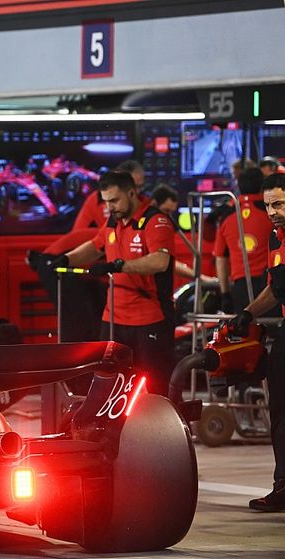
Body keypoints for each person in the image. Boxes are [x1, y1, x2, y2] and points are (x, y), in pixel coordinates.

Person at [37, 171, 176, 396]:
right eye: (106, 202)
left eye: (114, 200)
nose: (109, 208)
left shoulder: (155, 221)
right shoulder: (113, 221)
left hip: (150, 318)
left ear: (132, 193)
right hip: (113, 319)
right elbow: (95, 246)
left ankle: (162, 430)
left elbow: (160, 262)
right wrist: (64, 259)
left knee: (155, 387)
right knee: (110, 386)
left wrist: (119, 266)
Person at [227, 172, 285, 511]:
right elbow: (274, 288)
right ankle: (284, 484)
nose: (271, 211)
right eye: (267, 205)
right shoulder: (273, 239)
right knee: (281, 410)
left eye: (278, 203)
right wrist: (248, 314)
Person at [214, 167, 277, 314]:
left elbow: (221, 259)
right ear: (263, 186)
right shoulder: (273, 212)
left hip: (240, 289)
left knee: (245, 335)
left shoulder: (226, 216)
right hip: (270, 287)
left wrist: (225, 295)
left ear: (238, 186)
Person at [72, 159, 150, 231]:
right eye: (134, 187)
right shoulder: (96, 199)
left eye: (141, 187)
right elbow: (77, 233)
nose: (138, 192)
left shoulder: (147, 204)